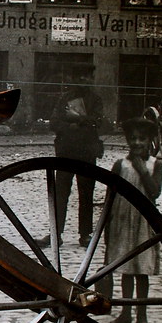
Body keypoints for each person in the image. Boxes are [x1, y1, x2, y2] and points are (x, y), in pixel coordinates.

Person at [104, 117, 162, 323]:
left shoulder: (155, 165)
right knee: (127, 269)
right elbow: (109, 196)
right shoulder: (120, 165)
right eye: (133, 138)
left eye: (142, 139)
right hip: (122, 220)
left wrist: (142, 169)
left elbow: (154, 191)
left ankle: (142, 314)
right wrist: (106, 225)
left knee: (141, 270)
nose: (137, 143)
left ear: (150, 140)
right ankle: (125, 312)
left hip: (142, 222)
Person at [41, 65, 104, 247]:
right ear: (73, 80)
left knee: (86, 193)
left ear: (92, 79)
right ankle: (56, 233)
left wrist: (77, 118)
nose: (84, 80)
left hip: (86, 151)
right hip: (66, 151)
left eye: (88, 77)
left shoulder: (96, 100)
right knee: (61, 193)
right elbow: (54, 123)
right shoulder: (65, 99)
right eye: (80, 77)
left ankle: (85, 235)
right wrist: (71, 126)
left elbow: (98, 122)